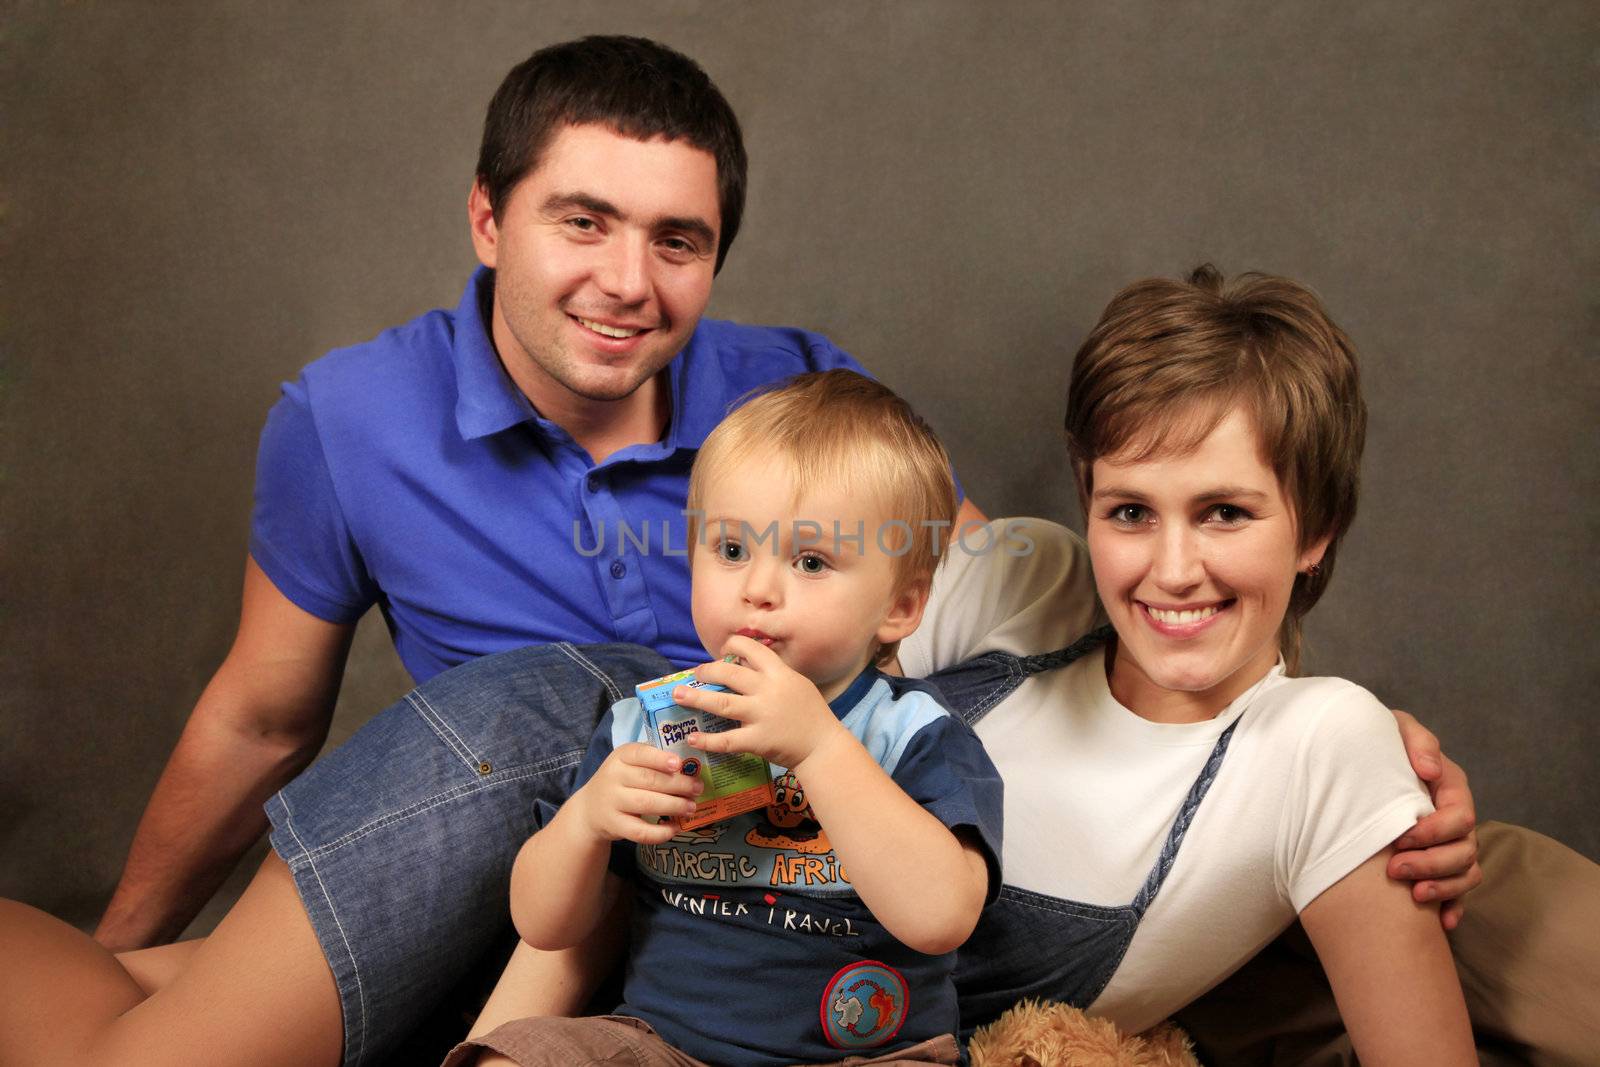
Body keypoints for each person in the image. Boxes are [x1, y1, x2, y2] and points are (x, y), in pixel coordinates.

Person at [0, 33, 1478, 1067]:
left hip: (695, 873)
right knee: (143, 1032)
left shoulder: (793, 390)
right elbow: (263, 710)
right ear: (486, 216)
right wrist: (142, 923)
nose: (627, 283)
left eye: (678, 239)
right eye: (582, 220)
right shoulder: (349, 414)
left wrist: (1311, 711)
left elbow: (988, 583)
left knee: (133, 996)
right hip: (541, 772)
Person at [896, 266, 1476, 1061]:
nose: (1172, 570)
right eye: (1130, 511)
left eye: (1225, 513)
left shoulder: (1322, 746)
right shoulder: (1024, 577)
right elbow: (777, 690)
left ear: (1318, 529)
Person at [451, 371, 1001, 1065]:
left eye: (810, 560)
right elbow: (544, 923)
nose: (758, 590)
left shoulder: (914, 733)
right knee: (512, 1058)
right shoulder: (644, 724)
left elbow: (942, 915)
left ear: (900, 606)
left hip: (863, 1054)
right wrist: (586, 820)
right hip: (661, 1047)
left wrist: (818, 746)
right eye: (732, 550)